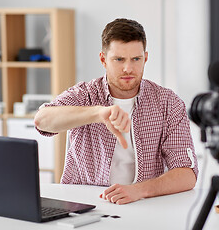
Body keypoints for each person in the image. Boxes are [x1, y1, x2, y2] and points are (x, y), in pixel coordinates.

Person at [34, 18, 198, 205]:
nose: (128, 68)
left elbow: (187, 173)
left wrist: (139, 190)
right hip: (84, 203)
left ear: (145, 58)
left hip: (144, 203)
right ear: (103, 59)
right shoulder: (85, 94)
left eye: (136, 59)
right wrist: (97, 114)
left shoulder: (168, 102)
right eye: (119, 59)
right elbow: (42, 120)